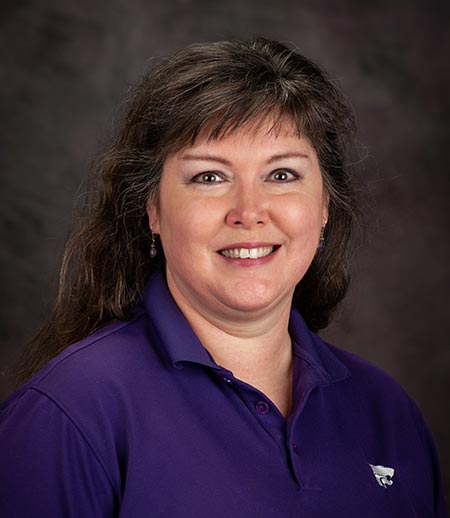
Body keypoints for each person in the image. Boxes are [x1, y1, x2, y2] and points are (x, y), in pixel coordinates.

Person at [0, 38, 447, 517]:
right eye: (210, 177)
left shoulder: (385, 411)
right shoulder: (68, 414)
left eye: (282, 175)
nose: (249, 212)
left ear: (324, 206)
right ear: (152, 208)